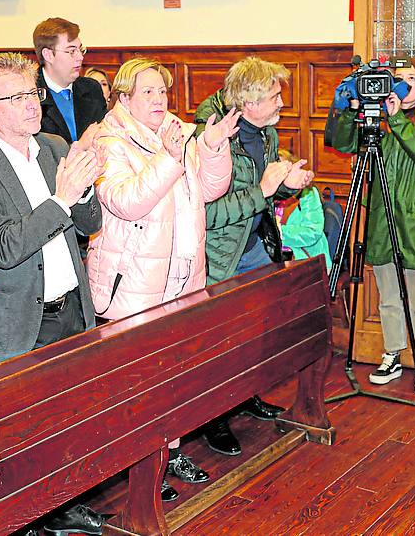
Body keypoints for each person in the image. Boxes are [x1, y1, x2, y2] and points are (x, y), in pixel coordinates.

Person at [0, 52, 106, 536]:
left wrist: (85, 190)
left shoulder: (55, 146)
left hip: (71, 306)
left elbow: (89, 226)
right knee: (24, 429)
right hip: (18, 317)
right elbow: (4, 246)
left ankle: (66, 504)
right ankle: (27, 517)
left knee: (70, 417)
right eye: (15, 97)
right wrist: (61, 197)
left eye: (32, 92)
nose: (32, 104)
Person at [87, 57, 240, 501]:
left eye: (163, 91)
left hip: (180, 274)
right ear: (124, 98)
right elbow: (125, 201)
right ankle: (141, 469)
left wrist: (210, 147)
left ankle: (169, 452)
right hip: (133, 280)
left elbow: (211, 190)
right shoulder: (108, 140)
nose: (159, 99)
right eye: (148, 91)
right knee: (138, 383)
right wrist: (171, 158)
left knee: (173, 375)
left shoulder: (176, 132)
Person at [192, 56, 313, 456]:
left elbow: (265, 194)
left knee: (254, 337)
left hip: (259, 247)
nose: (282, 102)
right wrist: (264, 189)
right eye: (275, 95)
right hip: (222, 257)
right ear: (249, 101)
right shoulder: (211, 139)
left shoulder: (265, 133)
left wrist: (287, 185)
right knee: (219, 345)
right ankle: (213, 419)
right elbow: (206, 213)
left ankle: (244, 396)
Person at [329, 55, 415, 395]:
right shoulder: (375, 120)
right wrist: (352, 108)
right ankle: (392, 353)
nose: (404, 84)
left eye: (412, 78)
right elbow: (343, 143)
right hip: (383, 221)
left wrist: (396, 118)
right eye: (398, 78)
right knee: (389, 298)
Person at [33, 18, 108, 144]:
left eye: (80, 50)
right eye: (72, 51)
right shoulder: (29, 94)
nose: (80, 57)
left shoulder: (91, 89)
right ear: (48, 55)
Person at [275, 150, 331, 270]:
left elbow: (313, 231)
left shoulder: (307, 193)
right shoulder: (266, 193)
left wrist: (278, 232)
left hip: (307, 262)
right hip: (275, 260)